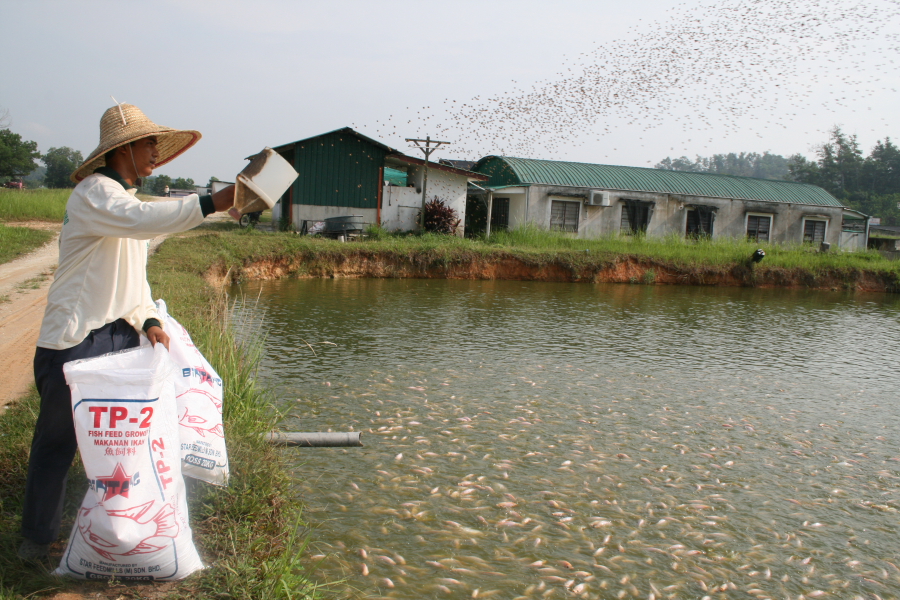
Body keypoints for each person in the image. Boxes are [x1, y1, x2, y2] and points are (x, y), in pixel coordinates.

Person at [18, 103, 235, 560]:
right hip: (75, 340)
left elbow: (134, 281)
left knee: (118, 443)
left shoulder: (124, 202)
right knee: (58, 442)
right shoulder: (97, 194)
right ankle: (36, 539)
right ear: (124, 149)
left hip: (116, 337)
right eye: (149, 144)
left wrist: (150, 319)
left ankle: (111, 533)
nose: (156, 152)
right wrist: (213, 202)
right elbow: (143, 221)